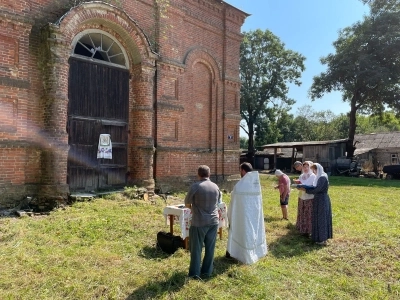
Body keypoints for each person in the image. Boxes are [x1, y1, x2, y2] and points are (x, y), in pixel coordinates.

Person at [226, 162, 268, 264]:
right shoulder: (256, 182)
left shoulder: (240, 185)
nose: (240, 172)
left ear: (243, 171)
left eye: (240, 170)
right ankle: (256, 252)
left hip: (242, 215)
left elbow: (234, 200)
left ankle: (238, 253)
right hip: (254, 215)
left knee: (241, 231)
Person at [184, 165, 221, 279]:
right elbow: (218, 202)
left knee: (196, 249)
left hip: (199, 222)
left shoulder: (195, 186)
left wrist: (193, 208)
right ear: (209, 174)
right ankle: (207, 272)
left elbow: (187, 203)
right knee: (210, 248)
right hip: (214, 221)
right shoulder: (215, 186)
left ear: (198, 174)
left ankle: (195, 274)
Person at [298, 163, 333, 245]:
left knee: (321, 218)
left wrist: (306, 190)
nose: (314, 171)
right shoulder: (320, 177)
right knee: (318, 218)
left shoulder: (322, 177)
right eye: (313, 169)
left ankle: (322, 239)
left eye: (315, 169)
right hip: (319, 199)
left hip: (321, 200)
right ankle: (319, 238)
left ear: (319, 169)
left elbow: (317, 189)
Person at [295, 161, 316, 236]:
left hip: (309, 197)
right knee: (302, 212)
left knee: (308, 213)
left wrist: (303, 186)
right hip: (301, 196)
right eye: (304, 167)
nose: (306, 168)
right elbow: (301, 183)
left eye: (307, 166)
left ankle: (308, 230)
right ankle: (302, 228)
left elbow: (312, 186)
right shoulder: (302, 176)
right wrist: (298, 185)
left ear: (310, 167)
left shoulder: (313, 176)